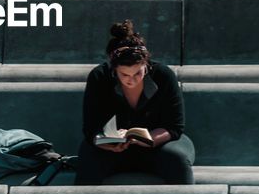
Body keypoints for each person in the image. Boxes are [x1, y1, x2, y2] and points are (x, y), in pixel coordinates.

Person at [75, 20, 195, 185]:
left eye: (138, 73)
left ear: (146, 64)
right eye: (124, 75)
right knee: (89, 162)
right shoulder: (99, 77)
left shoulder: (163, 76)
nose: (131, 80)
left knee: (176, 159)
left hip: (160, 145)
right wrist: (106, 142)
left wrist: (150, 139)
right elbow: (90, 129)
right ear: (113, 69)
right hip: (113, 149)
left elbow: (175, 126)